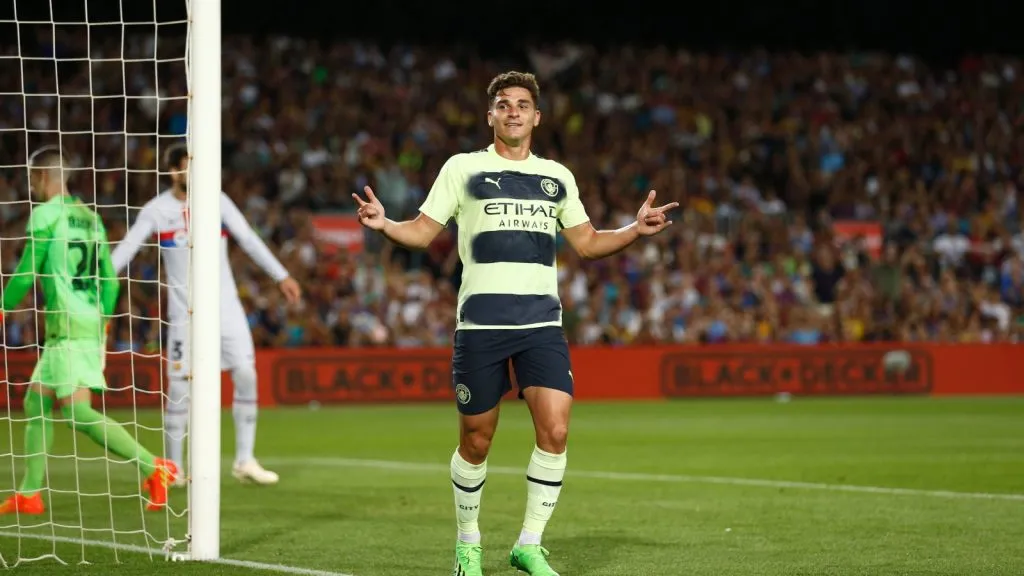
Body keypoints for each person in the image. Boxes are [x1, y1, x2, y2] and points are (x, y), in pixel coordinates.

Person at [352, 71, 677, 576]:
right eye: (503, 104)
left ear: (537, 117)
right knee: (476, 441)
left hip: (541, 324)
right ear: (491, 115)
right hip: (481, 326)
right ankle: (468, 544)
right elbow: (420, 233)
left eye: (522, 105)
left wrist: (635, 230)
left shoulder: (557, 177)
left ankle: (528, 544)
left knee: (556, 429)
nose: (513, 112)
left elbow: (589, 242)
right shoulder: (463, 168)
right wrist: (384, 224)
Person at [111, 143, 302, 487]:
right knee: (179, 387)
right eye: (188, 166)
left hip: (226, 308)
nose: (195, 172)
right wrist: (101, 277)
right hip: (184, 314)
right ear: (173, 171)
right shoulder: (157, 210)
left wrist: (281, 275)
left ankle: (245, 460)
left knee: (246, 373)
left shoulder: (217, 200)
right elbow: (128, 247)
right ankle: (173, 468)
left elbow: (249, 239)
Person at [0, 146, 177, 515]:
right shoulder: (91, 218)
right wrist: (103, 320)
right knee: (36, 402)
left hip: (67, 323)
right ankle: (30, 493)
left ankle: (153, 466)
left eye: (31, 178)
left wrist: (2, 308)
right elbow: (110, 280)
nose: (29, 185)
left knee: (77, 413)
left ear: (42, 177)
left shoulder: (46, 215)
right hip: (87, 319)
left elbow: (27, 273)